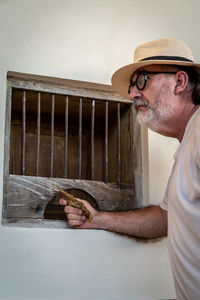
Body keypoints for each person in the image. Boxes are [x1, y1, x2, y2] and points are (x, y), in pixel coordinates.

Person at [60, 38, 200, 300]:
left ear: (180, 82)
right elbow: (164, 218)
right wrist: (97, 219)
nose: (132, 93)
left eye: (142, 80)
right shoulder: (187, 145)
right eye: (132, 85)